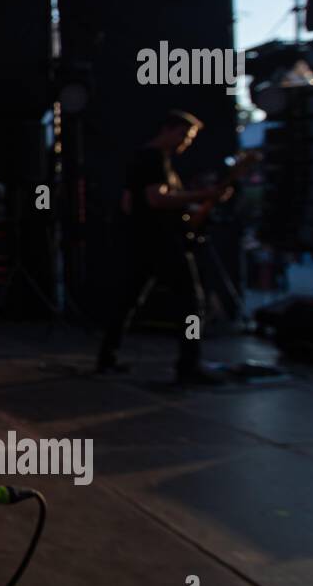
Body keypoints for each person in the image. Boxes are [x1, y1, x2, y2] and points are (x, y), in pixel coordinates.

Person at [96, 110, 231, 384]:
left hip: (144, 242)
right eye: (184, 135)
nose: (186, 142)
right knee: (192, 304)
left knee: (127, 301)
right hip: (162, 243)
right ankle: (189, 363)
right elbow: (157, 200)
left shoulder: (147, 160)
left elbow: (130, 202)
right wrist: (203, 195)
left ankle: (106, 357)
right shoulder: (153, 159)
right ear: (167, 130)